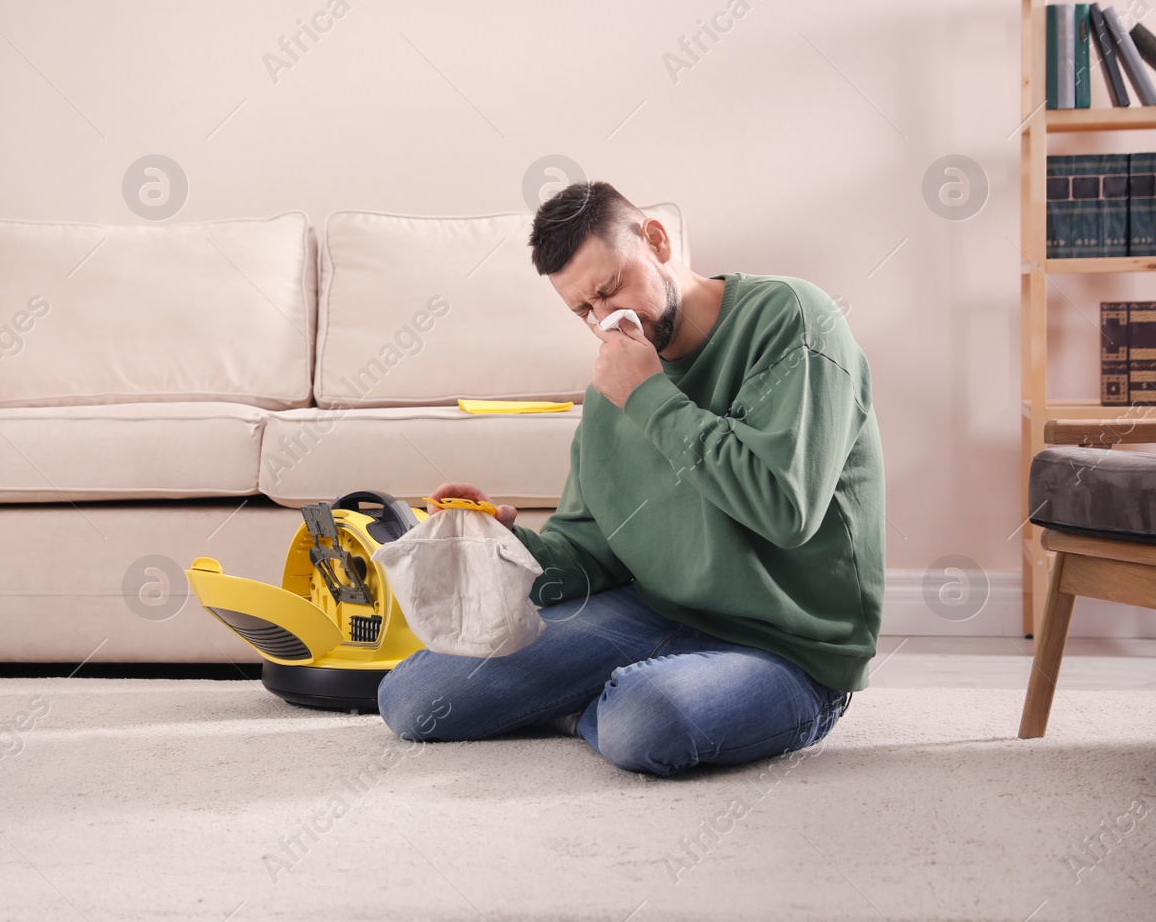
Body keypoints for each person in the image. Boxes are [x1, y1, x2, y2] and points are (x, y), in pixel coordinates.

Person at [376, 181, 885, 776]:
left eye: (610, 288)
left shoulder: (791, 320)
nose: (605, 319)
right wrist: (506, 540)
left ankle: (616, 698)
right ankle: (623, 692)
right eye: (583, 311)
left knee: (645, 722)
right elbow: (590, 547)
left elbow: (783, 508)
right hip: (653, 614)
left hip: (787, 646)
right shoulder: (612, 385)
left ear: (657, 241)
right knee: (413, 699)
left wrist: (648, 395)